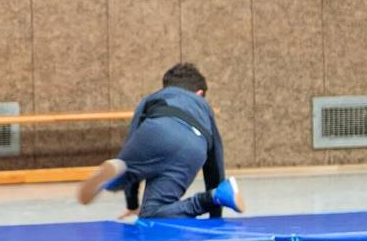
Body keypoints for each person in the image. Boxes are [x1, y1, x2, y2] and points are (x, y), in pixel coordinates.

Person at [78, 62, 243, 219]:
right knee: (153, 212)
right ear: (200, 93)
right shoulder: (203, 106)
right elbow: (214, 162)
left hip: (156, 132)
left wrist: (132, 202)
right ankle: (214, 197)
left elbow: (133, 137)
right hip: (193, 147)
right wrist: (216, 215)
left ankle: (114, 180)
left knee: (127, 171)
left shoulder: (154, 97)